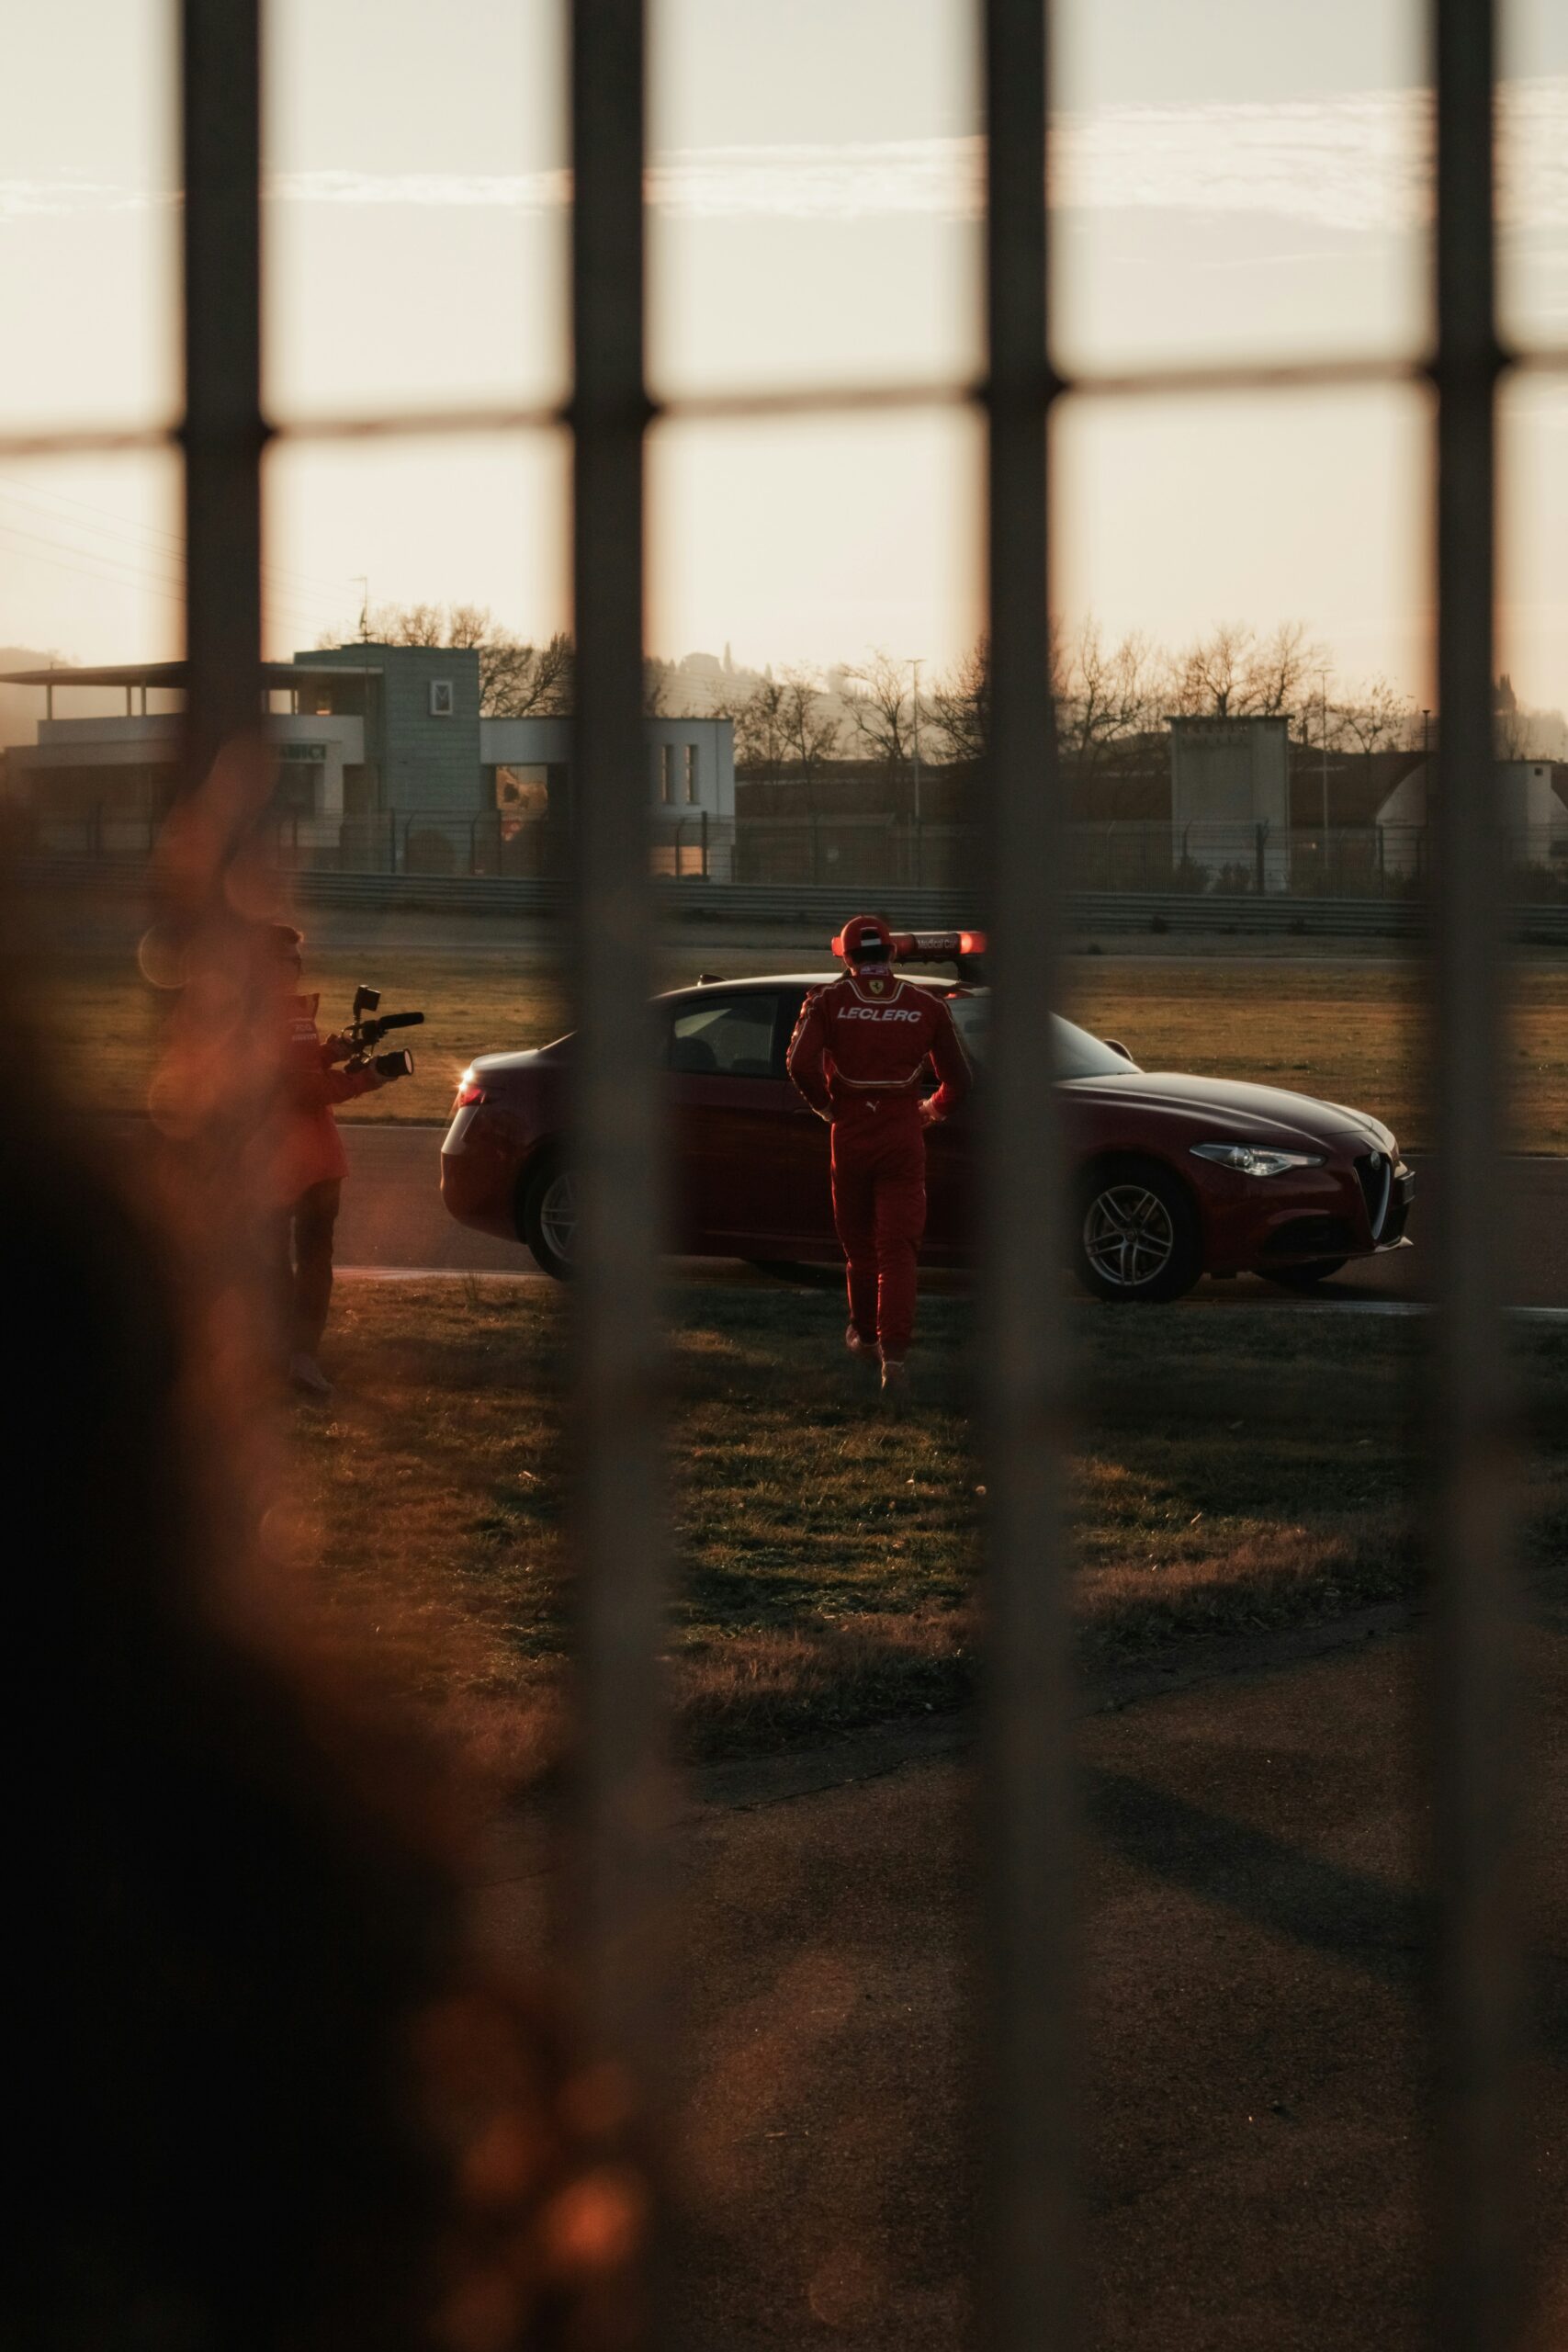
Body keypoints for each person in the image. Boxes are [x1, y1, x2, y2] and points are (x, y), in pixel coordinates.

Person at [786, 911, 972, 1405]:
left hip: (849, 1133)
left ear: (846, 957)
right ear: (890, 954)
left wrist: (826, 1106)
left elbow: (798, 1063)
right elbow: (961, 1080)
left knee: (860, 1249)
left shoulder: (827, 1001)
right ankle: (894, 1357)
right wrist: (931, 1110)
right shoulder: (924, 1004)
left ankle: (864, 1337)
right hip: (902, 1134)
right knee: (899, 1250)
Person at [261, 922, 409, 1397]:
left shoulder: (288, 1014)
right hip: (282, 1161)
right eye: (285, 962)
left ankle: (298, 1358)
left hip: (311, 1161)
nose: (294, 971)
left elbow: (302, 1070)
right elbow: (301, 1089)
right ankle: (289, 1357)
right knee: (280, 1261)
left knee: (308, 1259)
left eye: (297, 962)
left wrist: (334, 1051)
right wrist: (367, 1079)